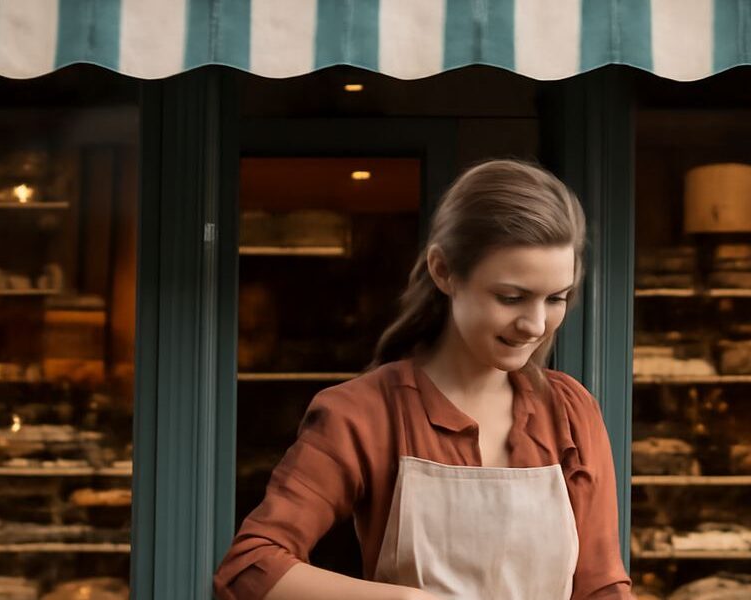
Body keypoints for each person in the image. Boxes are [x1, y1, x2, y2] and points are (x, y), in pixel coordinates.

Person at [214, 159, 633, 600]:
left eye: (556, 298)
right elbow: (250, 567)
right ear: (443, 271)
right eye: (511, 297)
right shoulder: (364, 412)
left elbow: (601, 585)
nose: (534, 324)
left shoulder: (569, 411)